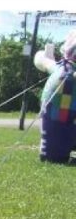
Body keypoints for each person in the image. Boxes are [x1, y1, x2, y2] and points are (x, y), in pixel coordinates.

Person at [34, 31, 76, 163]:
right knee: (58, 127)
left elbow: (43, 61)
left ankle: (52, 151)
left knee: (56, 128)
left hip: (50, 139)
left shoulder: (61, 69)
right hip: (58, 143)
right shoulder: (68, 73)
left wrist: (44, 57)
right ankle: (55, 152)